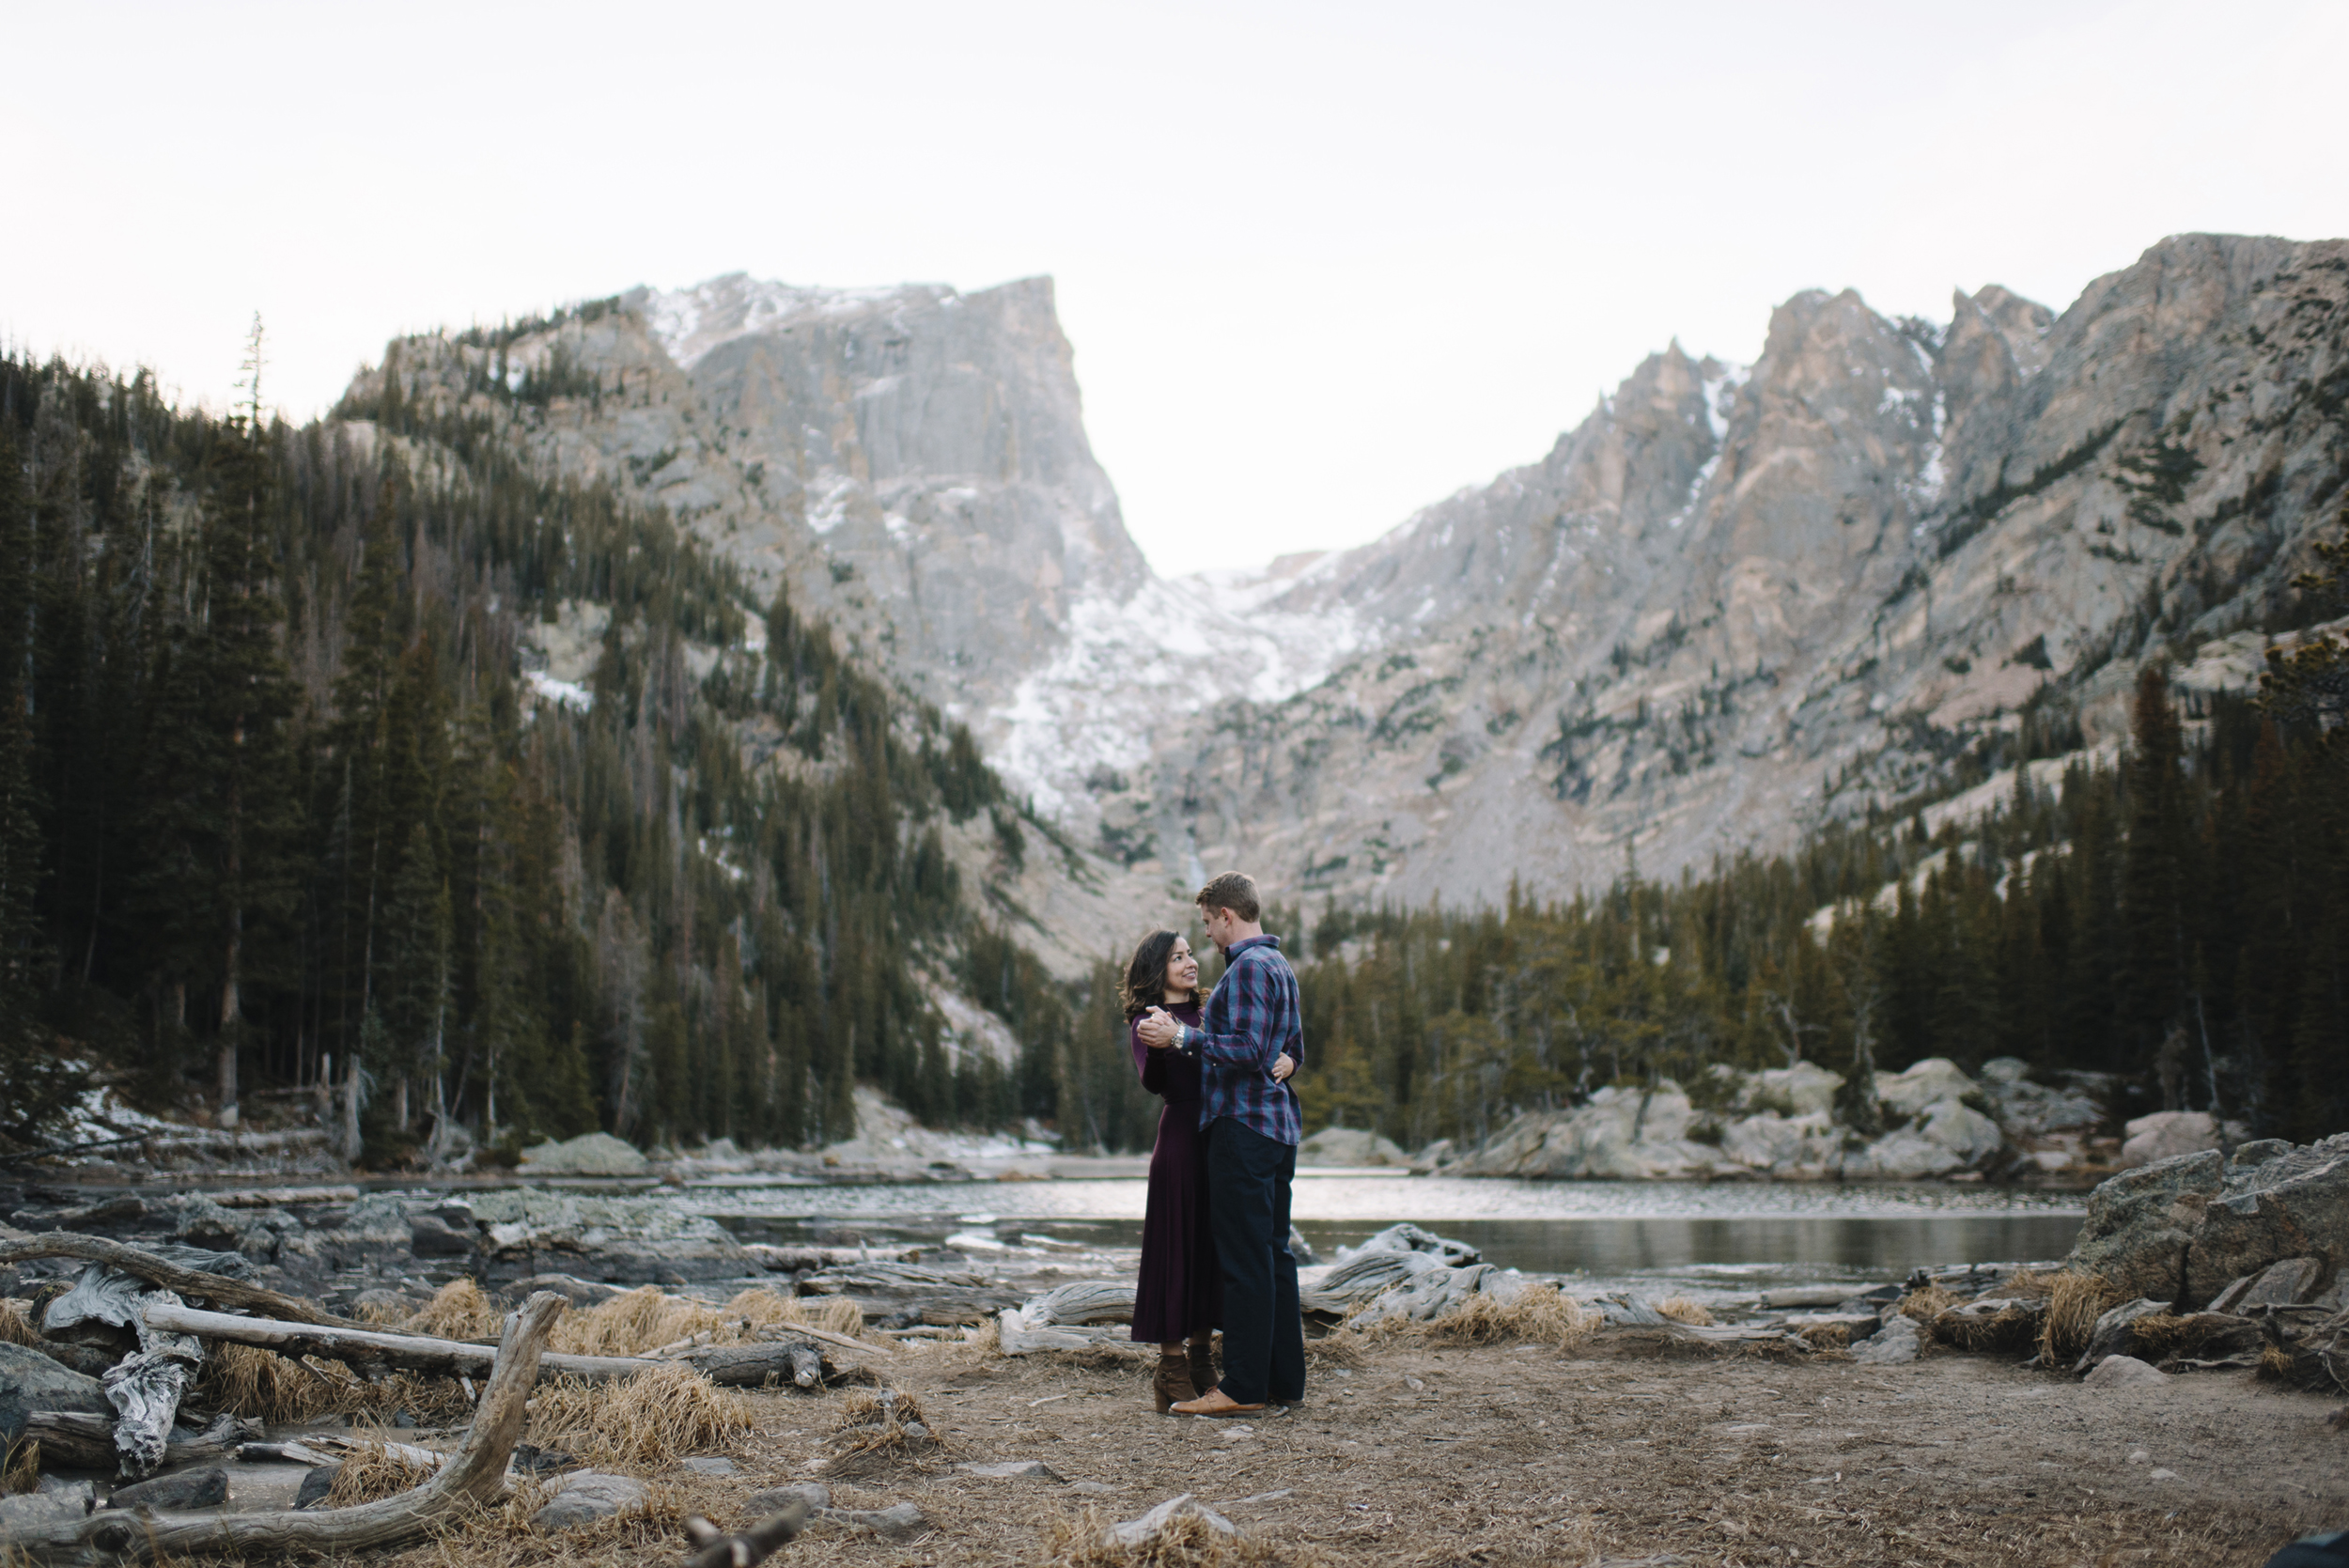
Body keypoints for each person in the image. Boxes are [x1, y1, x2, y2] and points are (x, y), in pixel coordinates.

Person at [1136, 871, 1306, 1418]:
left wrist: (1184, 1036)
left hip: (1243, 1129)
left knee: (1246, 1262)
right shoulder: (1279, 965)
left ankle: (1244, 1387)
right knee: (1274, 1256)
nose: (1206, 936)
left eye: (1208, 924)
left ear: (1227, 916)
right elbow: (1290, 1047)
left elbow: (1252, 1048)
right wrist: (1293, 1061)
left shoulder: (1249, 968)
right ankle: (1284, 1381)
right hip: (1277, 1129)